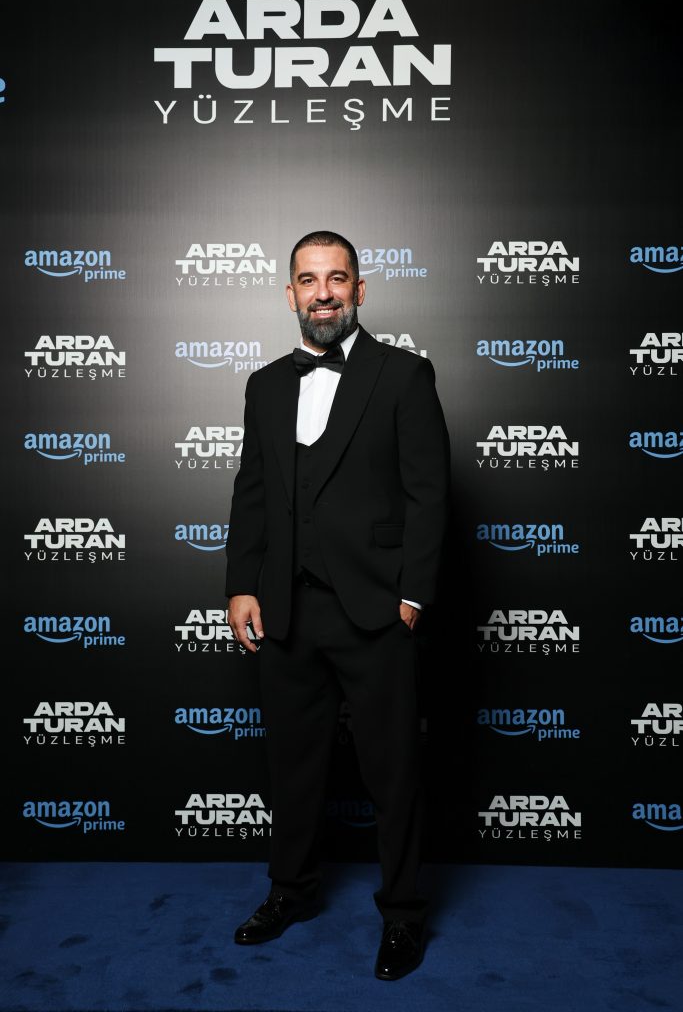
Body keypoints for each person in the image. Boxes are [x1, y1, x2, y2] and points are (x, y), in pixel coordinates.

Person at [225, 229, 450, 980]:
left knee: (393, 772)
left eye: (337, 278)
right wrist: (241, 583)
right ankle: (290, 892)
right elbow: (253, 493)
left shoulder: (403, 374)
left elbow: (428, 493)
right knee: (293, 767)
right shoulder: (264, 384)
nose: (323, 293)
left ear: (359, 289)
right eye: (308, 279)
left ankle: (404, 913)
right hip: (286, 609)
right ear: (289, 292)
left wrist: (412, 594)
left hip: (377, 607)